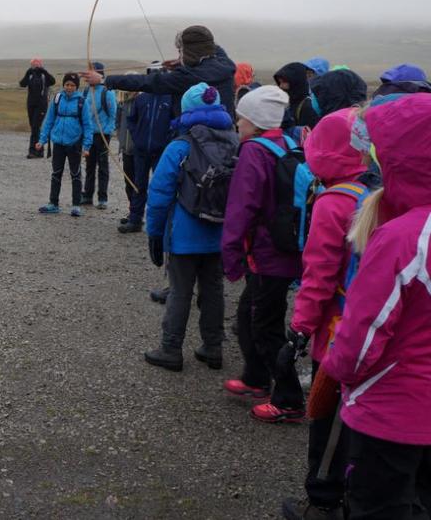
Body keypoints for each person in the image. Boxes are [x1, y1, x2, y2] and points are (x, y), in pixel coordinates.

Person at [321, 94, 431, 518]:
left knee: (378, 505)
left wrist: (335, 371)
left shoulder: (403, 238)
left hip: (392, 413)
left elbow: (362, 338)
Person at [278, 109, 369, 520]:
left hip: (336, 334)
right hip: (372, 330)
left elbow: (318, 276)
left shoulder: (334, 203)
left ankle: (323, 503)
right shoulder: (374, 193)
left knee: (328, 421)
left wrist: (300, 328)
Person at [221, 85, 305, 422]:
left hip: (268, 253)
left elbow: (241, 206)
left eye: (241, 118)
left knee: (265, 324)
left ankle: (288, 400)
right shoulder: (288, 143)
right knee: (249, 315)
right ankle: (256, 377)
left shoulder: (254, 152)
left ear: (253, 121)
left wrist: (229, 254)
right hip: (284, 249)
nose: (237, 123)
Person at [143, 83, 237, 371]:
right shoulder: (236, 142)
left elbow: (159, 196)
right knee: (213, 290)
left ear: (186, 110)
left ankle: (171, 349)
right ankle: (212, 348)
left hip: (184, 235)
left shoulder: (180, 146)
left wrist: (155, 234)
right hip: (220, 234)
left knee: (180, 291)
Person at [80, 25, 237, 118]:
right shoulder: (225, 64)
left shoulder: (187, 77)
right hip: (224, 136)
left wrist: (103, 80)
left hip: (195, 142)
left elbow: (147, 82)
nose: (179, 55)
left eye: (180, 51)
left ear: (188, 51)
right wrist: (182, 62)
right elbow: (213, 48)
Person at [121, 62, 173, 233]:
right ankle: (135, 219)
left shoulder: (170, 99)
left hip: (161, 151)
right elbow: (131, 119)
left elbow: (175, 123)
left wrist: (167, 141)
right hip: (141, 150)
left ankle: (163, 222)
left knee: (161, 186)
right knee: (138, 185)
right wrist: (137, 137)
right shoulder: (141, 99)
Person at [35, 72, 92, 216]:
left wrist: (86, 146)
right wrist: (42, 140)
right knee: (56, 173)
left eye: (73, 85)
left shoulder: (81, 102)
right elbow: (49, 120)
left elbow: (87, 125)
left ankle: (76, 205)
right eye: (67, 84)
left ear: (76, 87)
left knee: (75, 173)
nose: (69, 87)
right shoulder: (57, 99)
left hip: (74, 142)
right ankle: (53, 203)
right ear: (63, 85)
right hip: (58, 142)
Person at [81, 62, 117, 209]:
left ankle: (103, 198)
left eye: (92, 71)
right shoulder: (86, 91)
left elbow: (113, 114)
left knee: (102, 166)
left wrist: (106, 131)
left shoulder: (107, 92)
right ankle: (87, 196)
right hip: (89, 134)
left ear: (99, 73)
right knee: (89, 166)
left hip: (103, 135)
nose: (89, 74)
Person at [19, 58, 56, 158]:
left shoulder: (44, 76)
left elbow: (53, 81)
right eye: (33, 65)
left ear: (41, 65)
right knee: (34, 127)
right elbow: (22, 84)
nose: (35, 67)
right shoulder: (30, 75)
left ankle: (33, 151)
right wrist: (28, 73)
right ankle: (40, 151)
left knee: (36, 127)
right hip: (31, 104)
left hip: (41, 105)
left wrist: (44, 71)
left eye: (37, 65)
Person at [114, 91, 137, 219]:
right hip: (126, 150)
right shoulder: (121, 105)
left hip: (138, 150)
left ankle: (136, 213)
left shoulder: (140, 103)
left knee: (137, 182)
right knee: (128, 182)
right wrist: (121, 139)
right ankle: (132, 210)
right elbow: (118, 123)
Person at [274, 62, 316, 129]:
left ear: (296, 82)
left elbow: (308, 135)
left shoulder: (307, 107)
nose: (281, 86)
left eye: (284, 82)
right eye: (280, 82)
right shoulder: (290, 101)